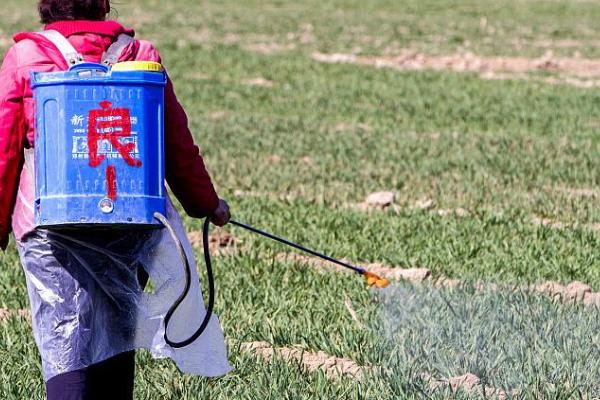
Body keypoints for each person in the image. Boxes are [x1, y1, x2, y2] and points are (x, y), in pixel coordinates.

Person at [0, 0, 231, 398]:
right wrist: (206, 204)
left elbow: (3, 149)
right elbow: (174, 145)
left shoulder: (27, 56)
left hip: (51, 227)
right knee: (118, 332)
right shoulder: (139, 56)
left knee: (64, 340)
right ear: (104, 5)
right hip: (130, 223)